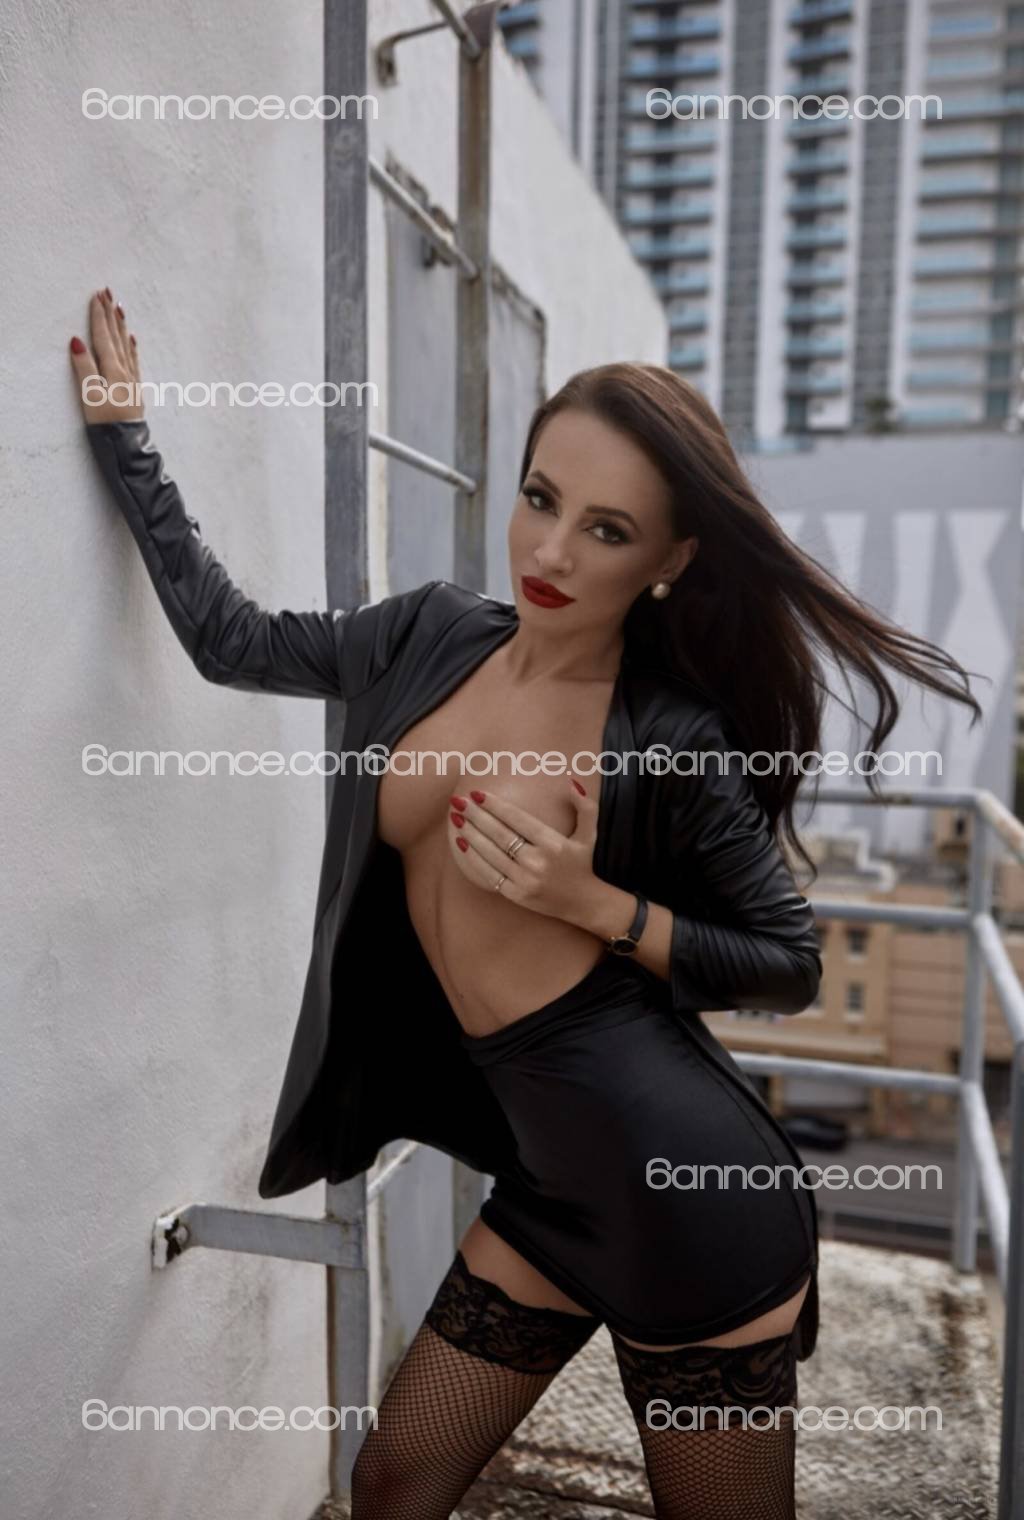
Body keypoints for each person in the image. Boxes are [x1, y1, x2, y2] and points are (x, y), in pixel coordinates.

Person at [70, 289, 982, 1519]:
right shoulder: (425, 635)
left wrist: (591, 899)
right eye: (540, 498)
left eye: (606, 530)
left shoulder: (669, 734)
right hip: (549, 1191)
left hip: (690, 1195)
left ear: (670, 562)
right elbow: (231, 639)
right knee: (394, 1480)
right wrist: (125, 434)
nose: (550, 553)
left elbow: (788, 961)